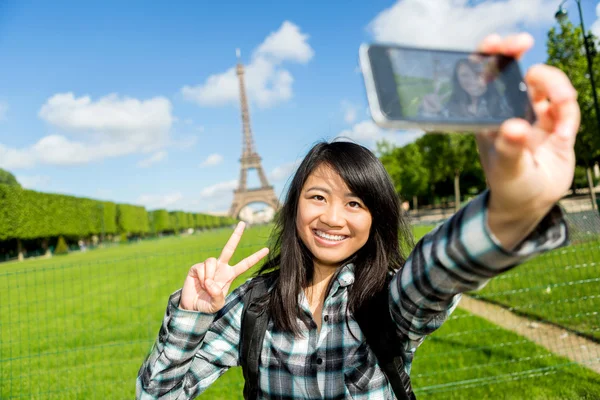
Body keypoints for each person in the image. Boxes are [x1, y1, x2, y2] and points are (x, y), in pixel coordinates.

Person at [136, 32, 580, 399]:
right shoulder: (253, 305)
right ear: (292, 208)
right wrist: (191, 318)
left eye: (355, 203)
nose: (333, 217)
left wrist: (511, 209)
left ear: (376, 217)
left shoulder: (386, 299)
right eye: (317, 197)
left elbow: (439, 270)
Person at [420, 57, 512, 119]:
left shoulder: (504, 104)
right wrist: (429, 111)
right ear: (458, 80)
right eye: (464, 75)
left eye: (477, 73)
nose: (472, 80)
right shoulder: (450, 107)